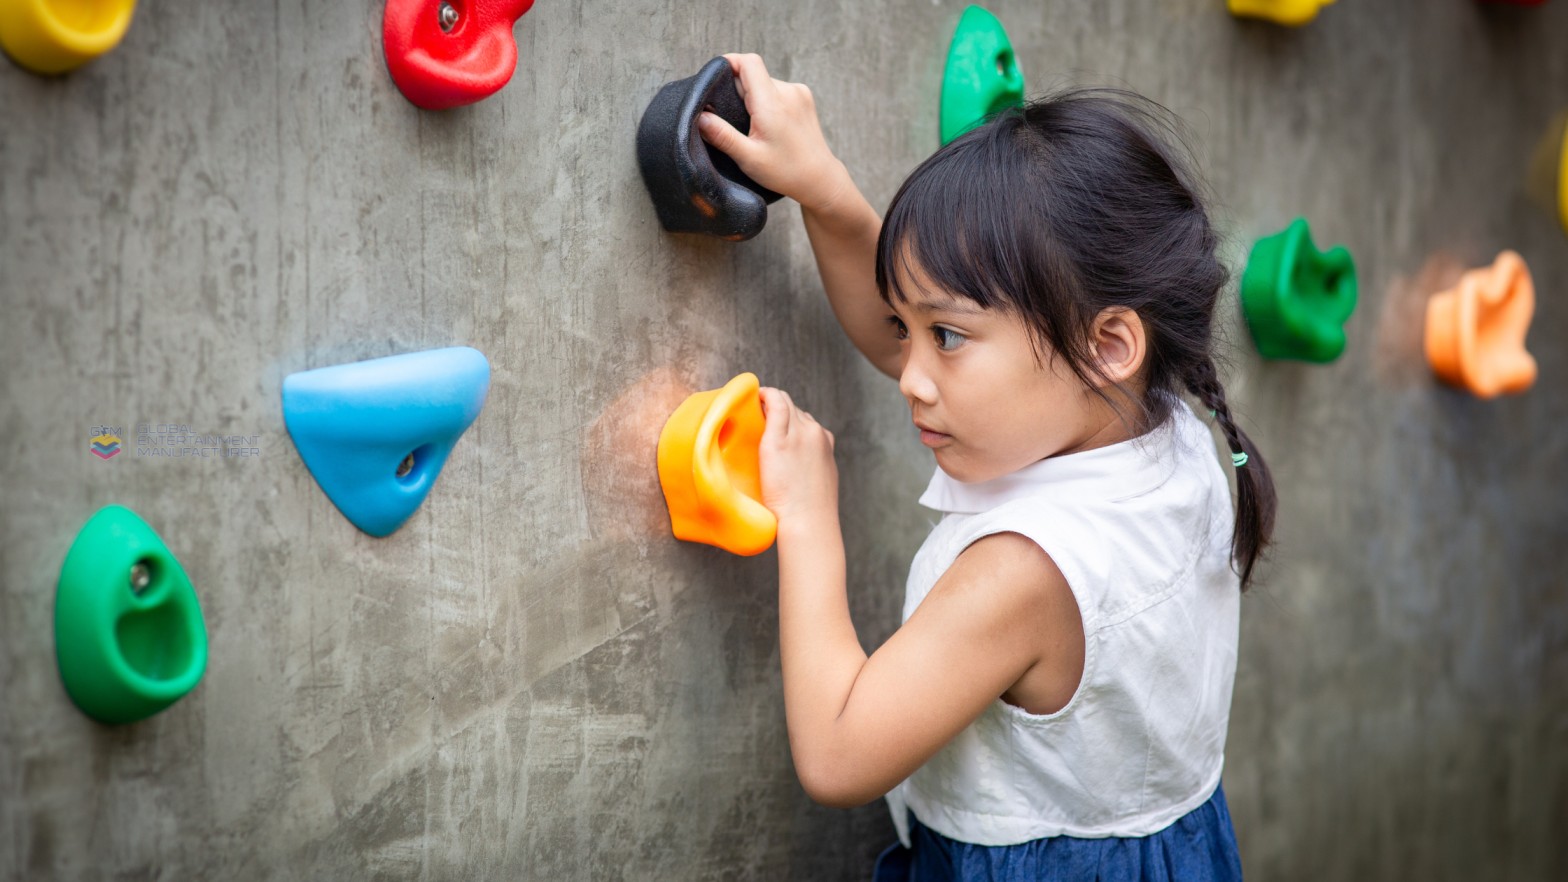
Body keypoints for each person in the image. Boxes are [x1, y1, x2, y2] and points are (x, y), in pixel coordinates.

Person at [697, 53, 1275, 881]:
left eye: (950, 338)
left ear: (1108, 343)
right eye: (911, 327)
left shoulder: (1023, 574)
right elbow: (915, 330)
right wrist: (825, 193)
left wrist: (810, 518)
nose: (910, 374)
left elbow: (837, 752)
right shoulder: (1165, 427)